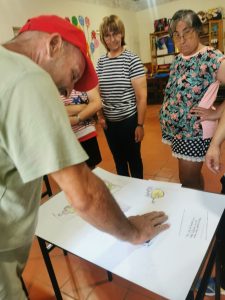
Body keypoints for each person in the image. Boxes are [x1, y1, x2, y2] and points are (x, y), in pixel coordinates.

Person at [0, 15, 169, 299]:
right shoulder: (28, 77)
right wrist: (132, 232)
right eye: (74, 74)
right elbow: (84, 195)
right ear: (54, 44)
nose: (68, 90)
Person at [160, 9, 225, 190]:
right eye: (176, 35)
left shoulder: (211, 57)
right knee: (190, 178)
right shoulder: (179, 58)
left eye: (186, 33)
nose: (182, 40)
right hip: (179, 132)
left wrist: (218, 112)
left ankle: (196, 215)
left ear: (197, 30)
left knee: (188, 179)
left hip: (194, 132)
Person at [96, 15, 147, 179]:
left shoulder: (132, 60)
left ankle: (139, 193)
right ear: (103, 38)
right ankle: (127, 194)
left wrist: (140, 124)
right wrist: (101, 116)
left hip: (129, 121)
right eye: (108, 35)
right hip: (110, 124)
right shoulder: (101, 62)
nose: (112, 39)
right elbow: (99, 93)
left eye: (116, 33)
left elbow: (141, 98)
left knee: (134, 160)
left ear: (122, 34)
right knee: (119, 161)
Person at [61, 87, 102, 169]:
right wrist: (83, 107)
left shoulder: (84, 83)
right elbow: (54, 110)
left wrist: (73, 114)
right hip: (66, 138)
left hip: (87, 133)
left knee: (92, 168)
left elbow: (95, 104)